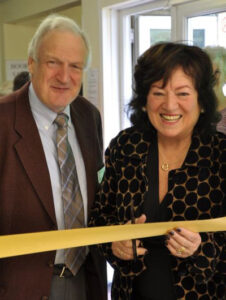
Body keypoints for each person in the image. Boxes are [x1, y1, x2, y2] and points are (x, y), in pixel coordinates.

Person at [89, 42, 226, 300]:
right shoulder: (125, 147)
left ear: (202, 100)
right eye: (158, 92)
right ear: (144, 99)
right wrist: (113, 244)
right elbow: (99, 219)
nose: (170, 105)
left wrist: (202, 248)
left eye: (183, 93)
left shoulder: (220, 155)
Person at [0, 14, 107, 300]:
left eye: (75, 66)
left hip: (86, 279)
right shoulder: (3, 120)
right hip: (19, 287)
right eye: (53, 62)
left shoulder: (88, 116)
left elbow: (97, 190)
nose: (64, 76)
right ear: (32, 63)